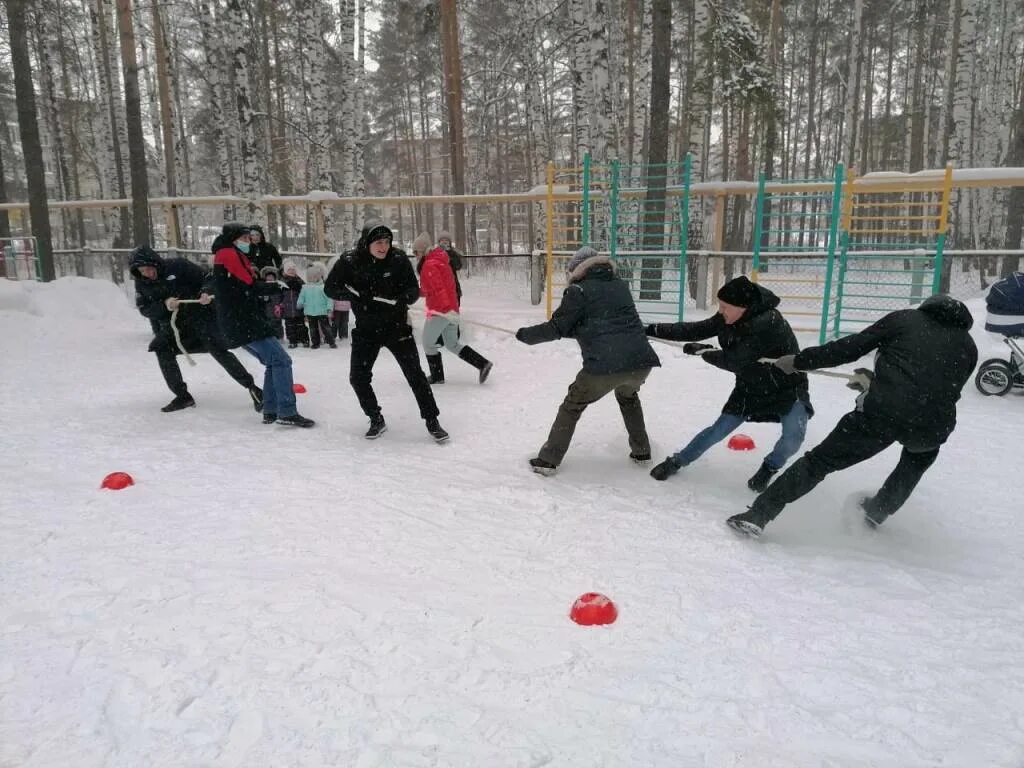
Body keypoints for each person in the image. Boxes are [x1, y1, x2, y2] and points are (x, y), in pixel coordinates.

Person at [726, 294, 978, 537]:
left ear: (927, 308)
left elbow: (849, 348)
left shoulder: (905, 319)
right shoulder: (969, 346)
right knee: (915, 462)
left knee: (818, 463)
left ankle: (757, 516)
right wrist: (877, 383)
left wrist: (799, 361)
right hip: (932, 426)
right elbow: (934, 386)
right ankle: (876, 513)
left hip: (882, 415)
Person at [645, 276, 812, 492]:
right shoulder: (728, 317)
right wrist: (652, 329)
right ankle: (677, 461)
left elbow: (735, 360)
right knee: (718, 430)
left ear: (744, 307)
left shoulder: (769, 323)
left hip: (787, 387)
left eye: (725, 307)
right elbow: (694, 329)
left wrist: (705, 352)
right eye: (720, 306)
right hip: (751, 386)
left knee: (793, 438)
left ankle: (770, 467)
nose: (720, 311)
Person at [515, 246, 660, 475]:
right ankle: (642, 452)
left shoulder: (578, 291)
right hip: (640, 361)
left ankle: (548, 460)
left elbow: (557, 327)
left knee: (572, 405)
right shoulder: (620, 285)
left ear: (577, 270)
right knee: (628, 397)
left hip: (605, 365)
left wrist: (526, 335)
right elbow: (603, 319)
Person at [324, 221, 449, 442]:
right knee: (358, 378)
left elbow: (413, 289)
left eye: (387, 242)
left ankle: (432, 420)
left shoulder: (398, 259)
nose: (384, 247)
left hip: (396, 327)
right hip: (366, 329)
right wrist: (354, 295)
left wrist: (404, 298)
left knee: (415, 375)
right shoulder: (350, 261)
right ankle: (375, 418)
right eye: (378, 243)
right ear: (367, 243)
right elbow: (330, 287)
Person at [129, 245, 263, 413]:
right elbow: (144, 309)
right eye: (142, 271)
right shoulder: (141, 283)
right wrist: (164, 305)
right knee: (162, 348)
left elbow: (208, 278)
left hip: (202, 320)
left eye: (149, 268)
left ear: (155, 263)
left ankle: (252, 388)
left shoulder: (178, 266)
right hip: (176, 328)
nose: (147, 273)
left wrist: (206, 292)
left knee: (216, 348)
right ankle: (183, 396)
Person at [211, 223, 315, 428]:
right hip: (244, 321)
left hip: (239, 320)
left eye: (249, 238)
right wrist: (275, 286)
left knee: (273, 362)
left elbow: (242, 286)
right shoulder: (229, 255)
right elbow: (248, 286)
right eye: (244, 238)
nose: (248, 242)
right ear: (233, 239)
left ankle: (270, 409)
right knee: (282, 361)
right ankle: (287, 411)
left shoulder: (227, 255)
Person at [414, 232, 493, 385]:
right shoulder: (441, 261)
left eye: (416, 252)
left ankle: (437, 377)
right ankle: (483, 364)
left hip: (440, 311)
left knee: (428, 343)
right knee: (452, 344)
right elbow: (437, 288)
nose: (415, 255)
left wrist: (445, 309)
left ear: (423, 250)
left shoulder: (429, 265)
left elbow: (439, 290)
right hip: (451, 309)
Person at [298, 263, 336, 349]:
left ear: (318, 277)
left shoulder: (323, 287)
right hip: (310, 312)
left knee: (326, 327)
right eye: (310, 277)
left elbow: (329, 298)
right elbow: (301, 296)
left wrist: (329, 308)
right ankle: (315, 343)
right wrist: (300, 303)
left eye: (314, 277)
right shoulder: (305, 287)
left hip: (322, 311)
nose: (312, 279)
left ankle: (331, 341)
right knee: (313, 329)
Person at [280, 261, 309, 348]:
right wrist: (281, 304)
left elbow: (305, 291)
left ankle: (304, 339)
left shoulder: (299, 281)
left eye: (293, 269)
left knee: (301, 325)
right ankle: (292, 341)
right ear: (285, 271)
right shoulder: (282, 282)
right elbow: (279, 294)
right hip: (287, 309)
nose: (292, 271)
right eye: (289, 270)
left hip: (298, 308)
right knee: (289, 326)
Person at [258, 265, 285, 340]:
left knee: (278, 323)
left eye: (271, 276)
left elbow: (282, 295)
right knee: (269, 323)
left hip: (277, 307)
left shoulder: (278, 285)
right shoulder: (263, 285)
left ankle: (279, 336)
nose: (270, 278)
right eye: (268, 276)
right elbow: (261, 296)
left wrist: (281, 303)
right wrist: (263, 298)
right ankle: (271, 336)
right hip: (267, 308)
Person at [436, 230, 463, 303]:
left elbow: (458, 266)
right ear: (439, 242)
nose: (444, 242)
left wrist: (450, 253)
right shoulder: (435, 253)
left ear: (450, 242)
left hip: (453, 284)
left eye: (446, 240)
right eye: (442, 240)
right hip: (440, 284)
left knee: (454, 304)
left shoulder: (453, 253)